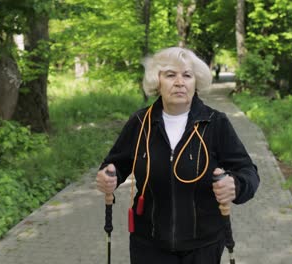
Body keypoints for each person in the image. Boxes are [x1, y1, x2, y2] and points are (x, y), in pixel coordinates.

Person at [96, 47, 259, 264]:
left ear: (195, 82)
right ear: (158, 81)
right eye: (171, 75)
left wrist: (236, 185)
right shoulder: (140, 123)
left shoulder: (215, 123)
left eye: (187, 75)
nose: (180, 82)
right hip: (149, 245)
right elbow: (115, 164)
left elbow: (248, 172)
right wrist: (109, 176)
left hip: (203, 246)